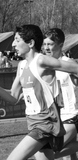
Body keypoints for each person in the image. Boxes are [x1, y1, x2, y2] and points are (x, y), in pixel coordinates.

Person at [0, 24, 78, 160]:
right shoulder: (21, 66)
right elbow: (13, 97)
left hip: (45, 125)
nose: (13, 44)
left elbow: (74, 68)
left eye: (17, 40)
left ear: (30, 43)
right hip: (33, 123)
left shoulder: (41, 60)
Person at [41, 28, 78, 160]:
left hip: (73, 115)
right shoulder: (45, 66)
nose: (46, 48)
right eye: (44, 44)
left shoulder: (69, 64)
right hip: (58, 118)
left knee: (52, 151)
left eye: (50, 44)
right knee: (69, 156)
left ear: (61, 45)